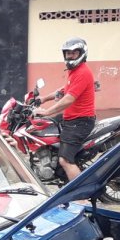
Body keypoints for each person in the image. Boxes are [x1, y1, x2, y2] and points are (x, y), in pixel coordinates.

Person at [36, 37, 95, 183]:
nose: (70, 56)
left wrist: (47, 111)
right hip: (71, 118)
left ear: (81, 53)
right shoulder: (74, 71)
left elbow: (68, 98)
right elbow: (64, 90)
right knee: (42, 125)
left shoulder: (82, 72)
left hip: (80, 121)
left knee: (65, 160)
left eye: (74, 53)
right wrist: (43, 99)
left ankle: (81, 195)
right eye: (67, 53)